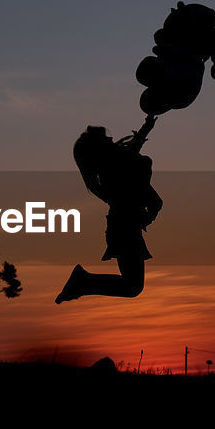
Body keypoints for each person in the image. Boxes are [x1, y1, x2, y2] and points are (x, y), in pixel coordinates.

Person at [55, 123, 162, 303]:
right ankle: (83, 281)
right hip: (124, 227)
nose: (112, 138)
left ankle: (83, 281)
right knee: (132, 287)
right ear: (100, 147)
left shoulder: (115, 161)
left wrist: (147, 125)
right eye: (106, 137)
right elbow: (132, 156)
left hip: (125, 225)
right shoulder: (113, 165)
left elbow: (133, 149)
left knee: (132, 286)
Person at [135, 2, 215, 116]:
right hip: (192, 47)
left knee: (145, 70)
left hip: (191, 44)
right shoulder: (179, 94)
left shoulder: (177, 94)